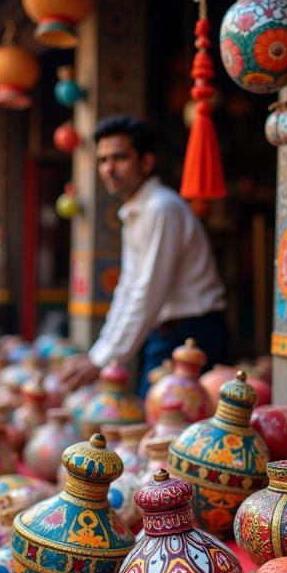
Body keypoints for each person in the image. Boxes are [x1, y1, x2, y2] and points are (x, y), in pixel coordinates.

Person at [60, 115, 227, 395]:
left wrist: (101, 359)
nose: (109, 169)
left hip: (193, 337)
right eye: (102, 160)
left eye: (119, 158)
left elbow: (148, 292)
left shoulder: (162, 209)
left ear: (146, 162)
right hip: (163, 333)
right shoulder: (136, 211)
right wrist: (101, 353)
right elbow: (128, 288)